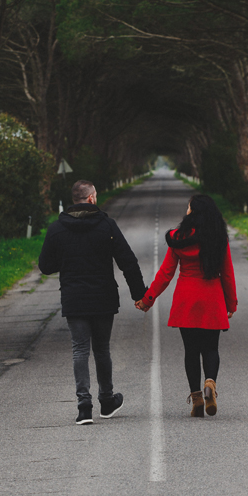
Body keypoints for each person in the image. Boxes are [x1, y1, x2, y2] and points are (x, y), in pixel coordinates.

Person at [39, 179, 147, 425]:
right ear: (91, 198)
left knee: (80, 349)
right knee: (101, 349)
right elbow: (127, 261)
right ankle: (107, 401)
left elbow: (45, 265)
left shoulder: (57, 229)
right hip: (102, 297)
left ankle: (84, 406)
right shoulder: (107, 226)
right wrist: (139, 295)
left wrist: (67, 260)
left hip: (74, 299)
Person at [136, 194, 237, 417]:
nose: (187, 210)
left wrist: (147, 299)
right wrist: (231, 303)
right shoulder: (218, 238)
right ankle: (210, 383)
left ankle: (197, 399)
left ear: (192, 212)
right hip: (212, 299)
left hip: (186, 300)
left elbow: (166, 273)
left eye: (189, 207)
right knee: (211, 348)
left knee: (191, 351)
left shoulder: (178, 238)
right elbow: (227, 273)